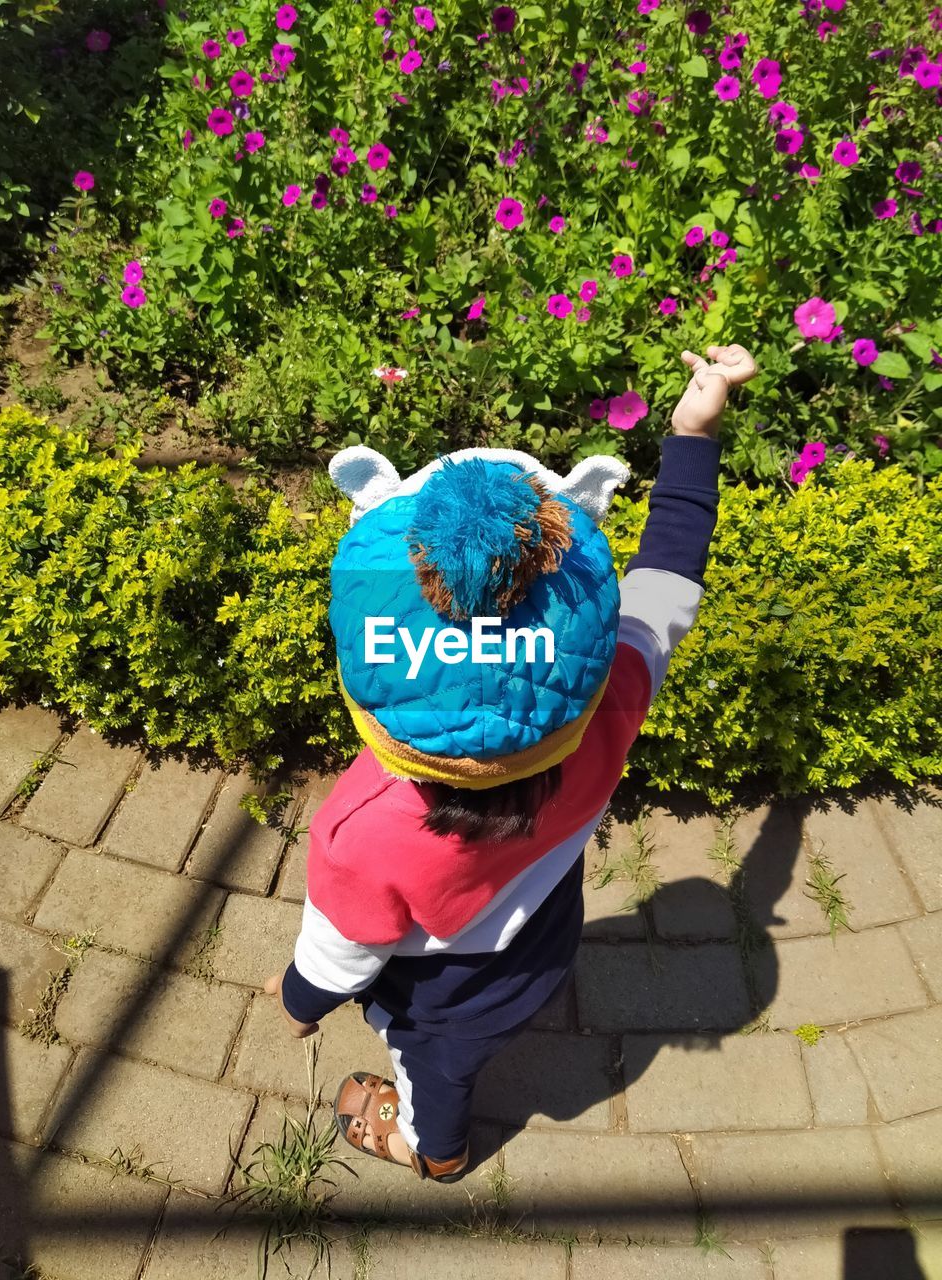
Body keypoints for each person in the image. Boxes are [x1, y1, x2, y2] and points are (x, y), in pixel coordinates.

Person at [264, 343, 759, 1183]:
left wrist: (298, 1005)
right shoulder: (609, 708)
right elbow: (669, 579)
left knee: (436, 1077)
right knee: (461, 1046)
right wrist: (692, 436)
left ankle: (436, 1151)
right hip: (541, 942)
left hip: (442, 1004)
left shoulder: (360, 832)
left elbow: (340, 950)